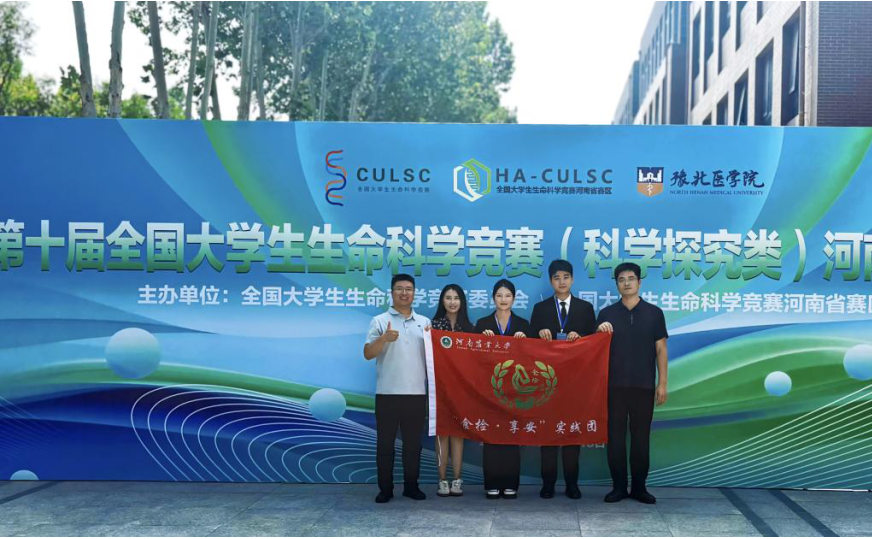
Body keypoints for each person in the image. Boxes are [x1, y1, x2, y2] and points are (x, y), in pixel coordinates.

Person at [597, 262, 669, 505]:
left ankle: (639, 488)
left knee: (641, 439)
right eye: (621, 279)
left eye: (630, 278)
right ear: (616, 284)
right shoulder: (606, 315)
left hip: (643, 386)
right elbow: (595, 351)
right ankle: (618, 487)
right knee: (615, 439)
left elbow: (661, 349)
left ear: (639, 282)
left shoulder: (654, 313)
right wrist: (599, 332)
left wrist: (662, 384)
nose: (626, 283)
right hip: (614, 387)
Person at [530, 259, 597, 500]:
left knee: (571, 433)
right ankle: (548, 483)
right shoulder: (540, 309)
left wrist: (582, 337)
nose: (561, 281)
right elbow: (528, 346)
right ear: (550, 281)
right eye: (556, 278)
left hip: (575, 382)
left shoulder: (585, 308)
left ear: (572, 279)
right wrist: (538, 334)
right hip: (546, 383)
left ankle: (572, 484)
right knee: (548, 434)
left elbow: (595, 344)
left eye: (566, 277)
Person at [363, 274, 431, 504]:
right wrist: (383, 339)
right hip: (387, 394)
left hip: (416, 394)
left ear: (414, 293)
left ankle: (411, 486)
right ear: (392, 293)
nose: (404, 293)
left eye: (409, 289)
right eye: (399, 288)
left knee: (413, 446)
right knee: (385, 445)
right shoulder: (380, 321)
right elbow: (367, 353)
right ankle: (385, 489)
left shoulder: (424, 322)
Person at [474, 279, 530, 499]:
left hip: (515, 390)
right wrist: (482, 341)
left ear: (514, 298)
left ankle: (510, 483)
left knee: (511, 435)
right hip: (490, 389)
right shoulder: (482, 323)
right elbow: (472, 356)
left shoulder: (523, 324)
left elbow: (533, 358)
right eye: (499, 295)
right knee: (491, 436)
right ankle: (492, 483)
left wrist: (525, 342)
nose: (503, 299)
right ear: (493, 298)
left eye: (507, 295)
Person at [431, 284, 475, 497]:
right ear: (442, 301)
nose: (452, 302)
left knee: (458, 434)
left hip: (462, 389)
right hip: (439, 388)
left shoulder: (470, 327)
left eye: (456, 298)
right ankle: (442, 480)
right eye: (448, 298)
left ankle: (457, 479)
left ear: (462, 301)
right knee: (442, 434)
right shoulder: (433, 326)